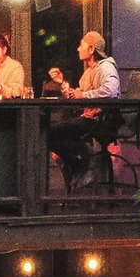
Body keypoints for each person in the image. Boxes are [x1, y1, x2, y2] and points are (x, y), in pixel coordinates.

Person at [47, 31, 121, 188]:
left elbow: (111, 90)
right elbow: (78, 96)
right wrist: (62, 83)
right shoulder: (89, 71)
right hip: (89, 119)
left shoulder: (105, 67)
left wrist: (84, 94)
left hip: (102, 121)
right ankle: (80, 162)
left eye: (81, 45)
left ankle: (82, 162)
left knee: (52, 132)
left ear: (92, 48)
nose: (78, 49)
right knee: (50, 132)